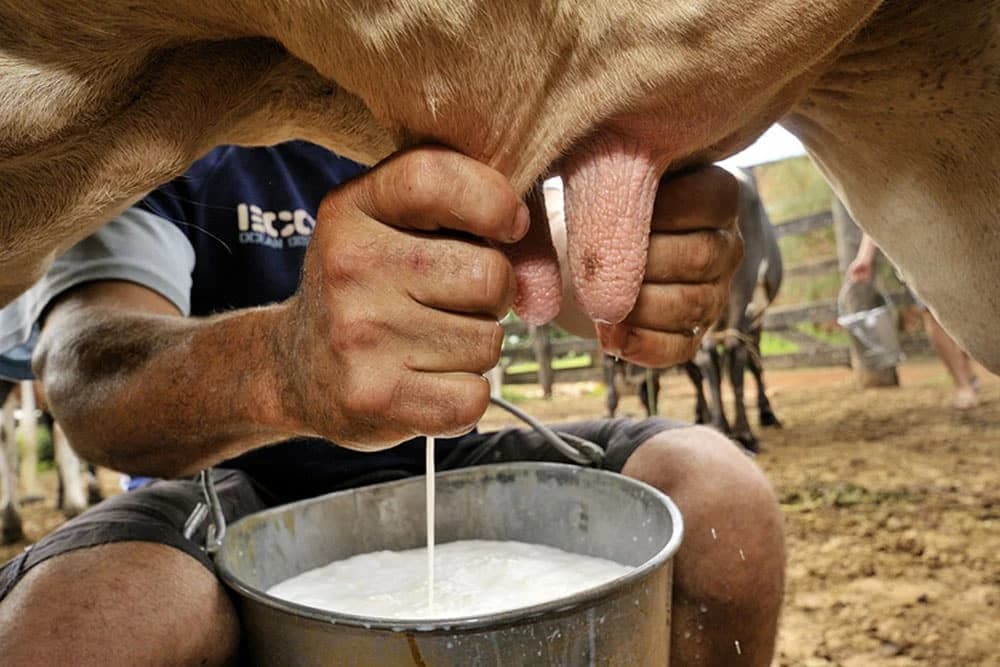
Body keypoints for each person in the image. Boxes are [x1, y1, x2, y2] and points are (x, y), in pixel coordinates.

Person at [0, 142, 785, 666]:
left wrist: (636, 270)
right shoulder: (157, 134)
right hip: (228, 486)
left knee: (722, 493)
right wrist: (281, 366)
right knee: (82, 626)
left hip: (445, 454)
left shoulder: (447, 120)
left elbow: (566, 278)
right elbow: (88, 372)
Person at [848, 233, 979, 410]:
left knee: (966, 308)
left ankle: (966, 370)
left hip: (958, 237)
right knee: (932, 311)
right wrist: (865, 256)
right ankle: (962, 383)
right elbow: (875, 209)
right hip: (917, 247)